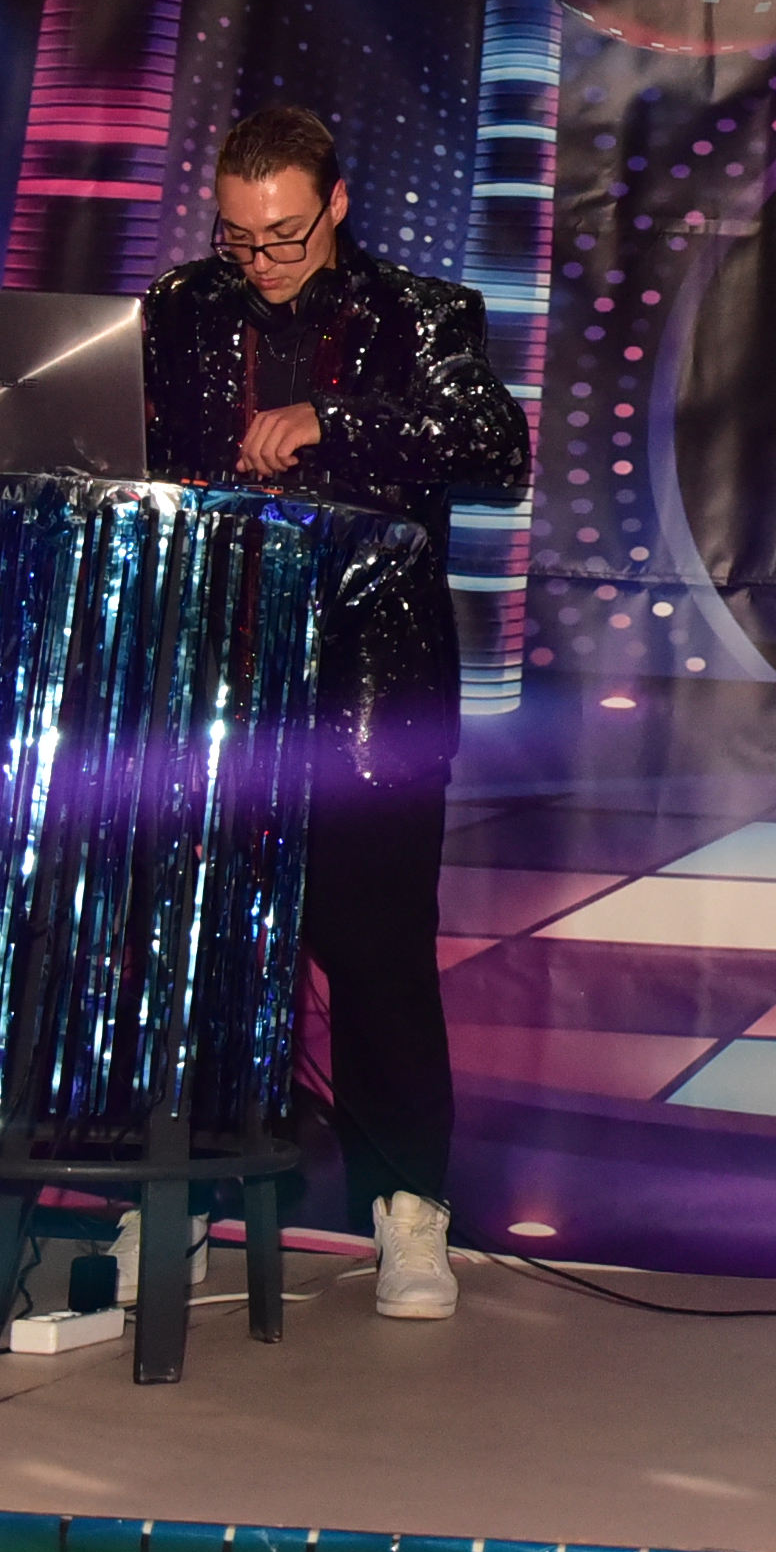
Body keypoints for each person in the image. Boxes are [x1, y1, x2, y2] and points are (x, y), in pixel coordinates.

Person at [141, 104, 528, 1323]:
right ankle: (171, 1195)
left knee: (377, 966)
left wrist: (332, 421)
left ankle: (408, 1215)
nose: (261, 259)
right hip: (215, 682)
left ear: (338, 203)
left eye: (286, 235)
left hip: (369, 696)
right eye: (242, 236)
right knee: (201, 959)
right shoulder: (182, 308)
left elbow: (493, 440)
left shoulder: (422, 313)